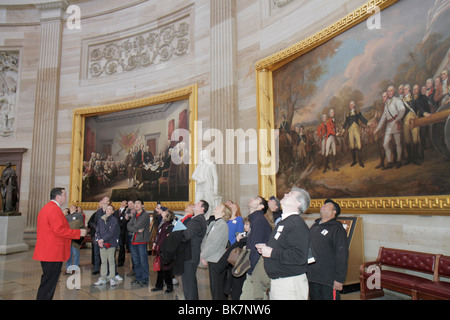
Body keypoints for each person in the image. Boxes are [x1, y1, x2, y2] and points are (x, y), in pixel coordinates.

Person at [256, 187, 311, 300]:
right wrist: (266, 248)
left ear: (298, 203)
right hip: (280, 282)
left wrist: (272, 252)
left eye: (290, 194)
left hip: (290, 283)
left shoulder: (296, 223)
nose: (285, 194)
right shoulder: (284, 222)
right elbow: (283, 247)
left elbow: (300, 256)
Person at [33, 187, 87, 300]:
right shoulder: (54, 209)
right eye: (64, 194)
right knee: (49, 284)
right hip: (52, 252)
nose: (66, 196)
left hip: (47, 251)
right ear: (58, 196)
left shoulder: (47, 208)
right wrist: (78, 232)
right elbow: (59, 230)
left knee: (47, 282)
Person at [308, 199, 349, 300]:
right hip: (313, 277)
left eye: (328, 205)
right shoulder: (315, 226)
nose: (324, 205)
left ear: (334, 212)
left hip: (328, 279)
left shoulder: (337, 229)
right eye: (324, 204)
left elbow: (342, 255)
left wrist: (339, 279)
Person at [240, 196, 272, 300]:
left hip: (255, 269)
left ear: (261, 206)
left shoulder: (259, 221)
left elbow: (255, 248)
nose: (252, 198)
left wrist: (249, 268)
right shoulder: (256, 220)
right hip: (254, 268)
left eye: (256, 198)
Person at [200, 203, 232, 300]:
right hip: (212, 259)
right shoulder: (215, 223)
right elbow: (206, 241)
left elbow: (215, 244)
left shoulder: (222, 225)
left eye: (219, 207)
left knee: (217, 289)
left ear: (223, 213)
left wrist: (202, 255)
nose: (216, 207)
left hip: (217, 260)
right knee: (214, 288)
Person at [374, 85, 406, 169]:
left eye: (391, 91)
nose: (389, 92)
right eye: (388, 91)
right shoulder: (387, 104)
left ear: (394, 91)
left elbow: (402, 110)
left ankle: (398, 161)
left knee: (398, 143)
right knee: (385, 144)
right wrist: (377, 129)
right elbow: (383, 118)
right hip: (389, 126)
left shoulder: (397, 100)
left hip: (396, 124)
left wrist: (398, 119)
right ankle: (389, 162)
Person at [182, 200, 208, 300]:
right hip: (190, 253)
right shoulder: (196, 219)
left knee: (189, 282)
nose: (194, 205)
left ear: (202, 208)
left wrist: (178, 232)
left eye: (197, 204)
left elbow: (187, 235)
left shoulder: (197, 220)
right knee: (189, 281)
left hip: (191, 254)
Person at [94, 204, 120, 286]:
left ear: (112, 212)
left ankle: (112, 277)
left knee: (111, 261)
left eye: (110, 209)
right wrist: (98, 239)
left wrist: (103, 239)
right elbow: (97, 230)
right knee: (103, 261)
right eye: (107, 209)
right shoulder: (101, 219)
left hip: (111, 243)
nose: (108, 210)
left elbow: (111, 232)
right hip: (102, 244)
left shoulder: (114, 220)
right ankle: (103, 277)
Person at [127, 199, 150, 287]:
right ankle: (138, 277)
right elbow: (128, 226)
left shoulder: (145, 215)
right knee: (136, 261)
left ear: (142, 205)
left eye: (138, 203)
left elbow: (138, 225)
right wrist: (136, 230)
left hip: (141, 241)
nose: (136, 205)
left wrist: (135, 228)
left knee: (143, 261)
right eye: (135, 203)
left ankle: (144, 279)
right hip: (133, 240)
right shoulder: (134, 215)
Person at [152, 208, 175, 293]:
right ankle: (159, 285)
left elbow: (166, 238)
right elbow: (158, 235)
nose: (163, 213)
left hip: (165, 250)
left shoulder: (169, 225)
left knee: (166, 269)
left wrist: (160, 245)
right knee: (159, 268)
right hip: (159, 249)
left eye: (165, 212)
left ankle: (169, 287)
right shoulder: (162, 223)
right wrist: (155, 242)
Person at [192, 150, 219, 221]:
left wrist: (215, 189)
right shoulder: (200, 165)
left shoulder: (211, 165)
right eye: (201, 156)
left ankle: (207, 219)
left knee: (209, 203)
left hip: (208, 187)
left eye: (202, 155)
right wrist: (199, 179)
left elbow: (215, 178)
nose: (201, 157)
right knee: (197, 202)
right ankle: (197, 218)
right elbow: (193, 176)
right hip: (200, 187)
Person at [88, 196, 110, 275]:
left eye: (106, 199)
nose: (103, 200)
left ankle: (106, 269)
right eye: (103, 199)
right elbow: (92, 222)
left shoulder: (109, 211)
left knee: (105, 254)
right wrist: (95, 226)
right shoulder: (98, 212)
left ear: (108, 202)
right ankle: (96, 268)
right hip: (97, 235)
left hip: (106, 236)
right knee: (96, 253)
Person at [342, 101, 368, 168]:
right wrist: (343, 130)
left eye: (351, 105)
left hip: (356, 130)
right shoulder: (347, 114)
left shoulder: (357, 112)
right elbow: (346, 123)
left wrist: (367, 123)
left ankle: (360, 162)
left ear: (354, 105)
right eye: (350, 105)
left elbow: (362, 118)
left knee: (359, 145)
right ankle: (354, 161)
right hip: (350, 131)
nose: (350, 106)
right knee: (352, 146)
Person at [114, 200, 128, 267]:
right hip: (115, 231)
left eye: (125, 202)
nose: (123, 203)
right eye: (122, 202)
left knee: (121, 246)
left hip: (122, 231)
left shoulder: (126, 212)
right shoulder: (116, 212)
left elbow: (125, 221)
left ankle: (121, 261)